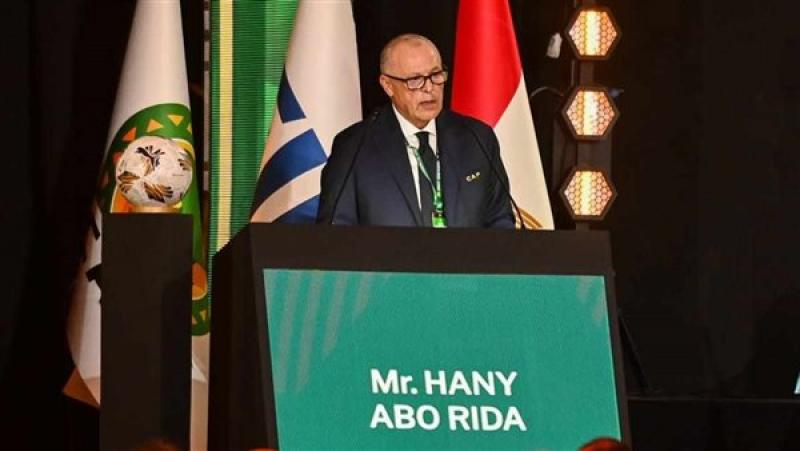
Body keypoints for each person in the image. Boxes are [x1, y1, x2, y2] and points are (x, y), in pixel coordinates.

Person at [316, 33, 515, 228]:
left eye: (436, 75)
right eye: (415, 80)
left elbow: (500, 220)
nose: (429, 88)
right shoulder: (354, 147)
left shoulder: (477, 138)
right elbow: (336, 232)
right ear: (388, 86)